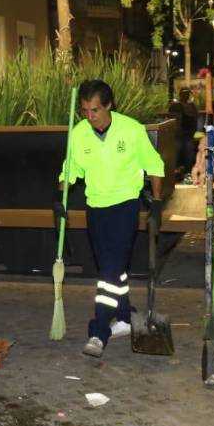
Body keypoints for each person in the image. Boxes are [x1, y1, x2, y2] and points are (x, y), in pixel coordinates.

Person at [56, 80, 165, 358]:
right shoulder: (79, 133)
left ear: (109, 106)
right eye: (84, 111)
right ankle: (126, 317)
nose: (89, 116)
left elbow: (154, 165)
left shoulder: (131, 129)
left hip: (124, 207)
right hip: (96, 207)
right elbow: (72, 169)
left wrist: (157, 202)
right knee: (112, 268)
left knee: (108, 273)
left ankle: (99, 330)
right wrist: (61, 197)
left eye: (95, 110)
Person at [168, 88, 199, 177]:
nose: (186, 95)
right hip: (179, 135)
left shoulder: (192, 106)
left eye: (187, 94)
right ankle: (177, 171)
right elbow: (174, 121)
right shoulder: (175, 106)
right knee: (179, 151)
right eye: (184, 94)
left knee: (189, 153)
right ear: (180, 95)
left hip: (188, 134)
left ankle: (186, 171)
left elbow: (195, 120)